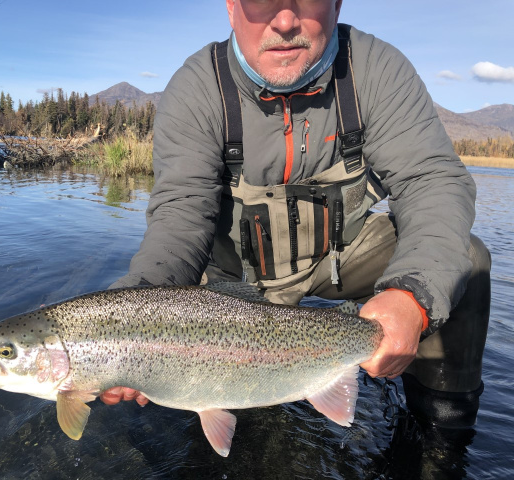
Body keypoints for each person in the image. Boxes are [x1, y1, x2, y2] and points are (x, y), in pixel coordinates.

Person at [103, 0, 490, 429]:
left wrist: (412, 297)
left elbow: (432, 182)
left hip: (339, 256)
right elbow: (179, 218)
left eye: (306, 1)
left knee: (466, 263)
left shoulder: (375, 68)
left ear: (337, 5)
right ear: (232, 8)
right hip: (236, 281)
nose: (285, 21)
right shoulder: (197, 88)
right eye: (261, 2)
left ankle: (442, 429)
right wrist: (129, 321)